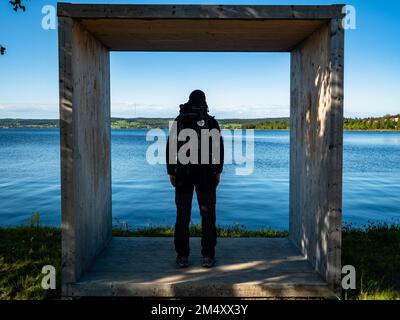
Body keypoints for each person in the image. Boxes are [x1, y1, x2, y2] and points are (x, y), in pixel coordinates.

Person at [166, 90, 224, 268]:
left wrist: (171, 171)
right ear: (204, 102)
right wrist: (217, 170)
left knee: (182, 215)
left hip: (184, 172)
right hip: (206, 174)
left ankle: (182, 256)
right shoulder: (211, 121)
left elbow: (170, 148)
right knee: (208, 215)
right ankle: (208, 256)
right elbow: (218, 148)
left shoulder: (179, 120)